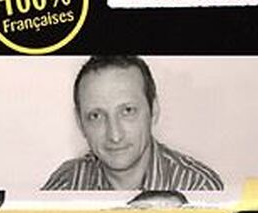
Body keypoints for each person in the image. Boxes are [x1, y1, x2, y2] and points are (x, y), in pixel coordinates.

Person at [42, 56, 224, 192]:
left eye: (127, 111)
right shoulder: (64, 186)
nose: (115, 135)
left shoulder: (199, 188)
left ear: (153, 111)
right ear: (80, 123)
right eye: (96, 116)